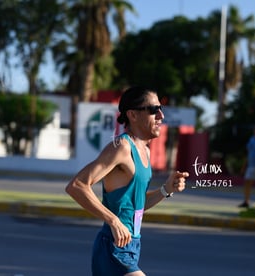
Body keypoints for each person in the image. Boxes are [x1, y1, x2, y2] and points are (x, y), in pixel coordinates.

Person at [65, 86, 189, 276]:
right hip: (113, 248)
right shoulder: (121, 147)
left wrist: (165, 190)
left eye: (161, 109)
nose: (161, 116)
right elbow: (77, 186)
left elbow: (134, 206)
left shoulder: (145, 152)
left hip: (132, 245)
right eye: (154, 110)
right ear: (133, 114)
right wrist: (113, 221)